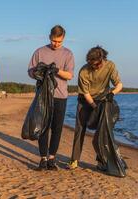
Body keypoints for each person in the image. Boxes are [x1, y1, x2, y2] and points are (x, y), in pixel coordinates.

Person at [67, 46, 123, 170]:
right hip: (85, 101)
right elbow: (86, 93)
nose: (95, 67)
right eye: (92, 65)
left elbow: (119, 84)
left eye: (97, 65)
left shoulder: (110, 66)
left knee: (103, 132)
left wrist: (112, 93)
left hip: (103, 100)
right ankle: (74, 159)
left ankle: (101, 161)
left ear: (103, 59)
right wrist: (94, 106)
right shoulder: (83, 71)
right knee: (80, 129)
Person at [28, 25, 75, 171]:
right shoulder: (39, 52)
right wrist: (37, 72)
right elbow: (30, 71)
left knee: (57, 128)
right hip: (43, 96)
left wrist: (57, 70)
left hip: (61, 96)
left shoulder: (68, 54)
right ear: (50, 37)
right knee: (43, 128)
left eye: (59, 42)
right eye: (54, 41)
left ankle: (52, 158)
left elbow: (70, 75)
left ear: (63, 39)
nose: (56, 44)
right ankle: (43, 158)